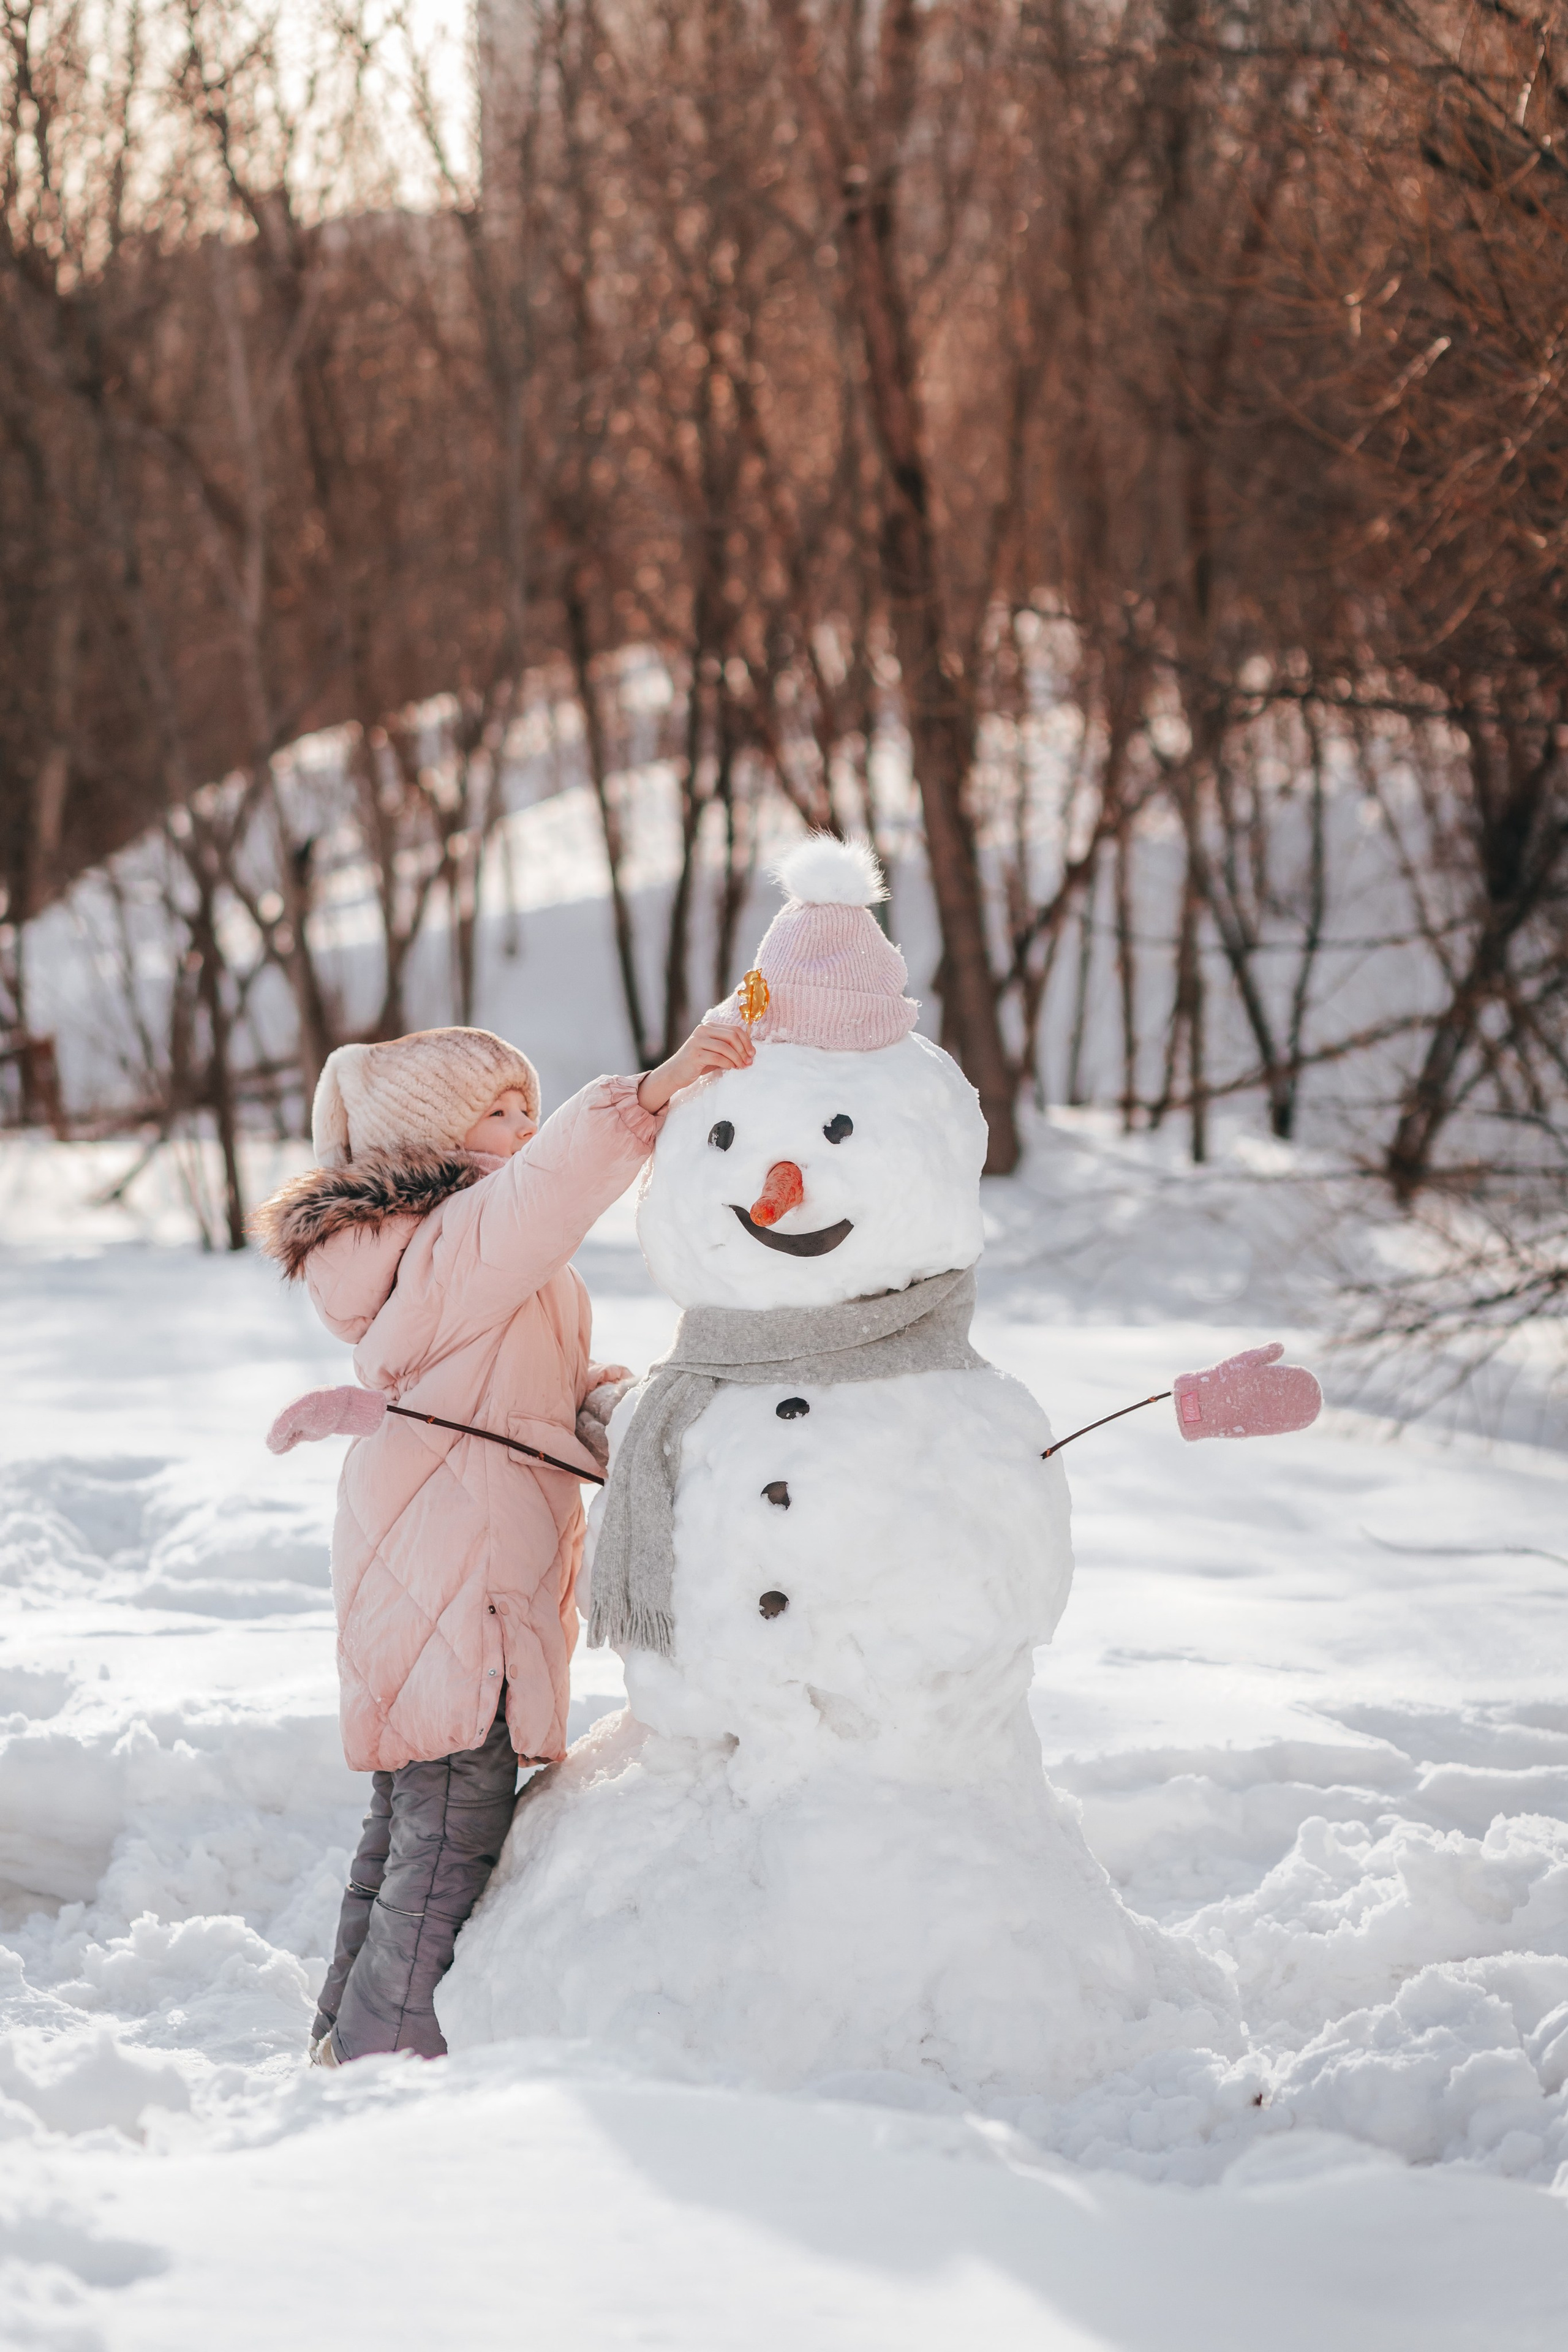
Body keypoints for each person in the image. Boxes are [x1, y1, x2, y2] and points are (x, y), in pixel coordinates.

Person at [251, 1020, 752, 2064]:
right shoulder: (460, 1238)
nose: (525, 1127)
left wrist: (630, 1409)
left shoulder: (467, 1258)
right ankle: (387, 2066)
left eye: (531, 1107)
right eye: (500, 1113)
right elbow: (553, 1190)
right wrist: (653, 1094)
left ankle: (343, 2038)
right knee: (451, 1829)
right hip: (458, 1569)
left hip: (450, 1553)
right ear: (437, 1135)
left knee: (411, 1823)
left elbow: (540, 1396)